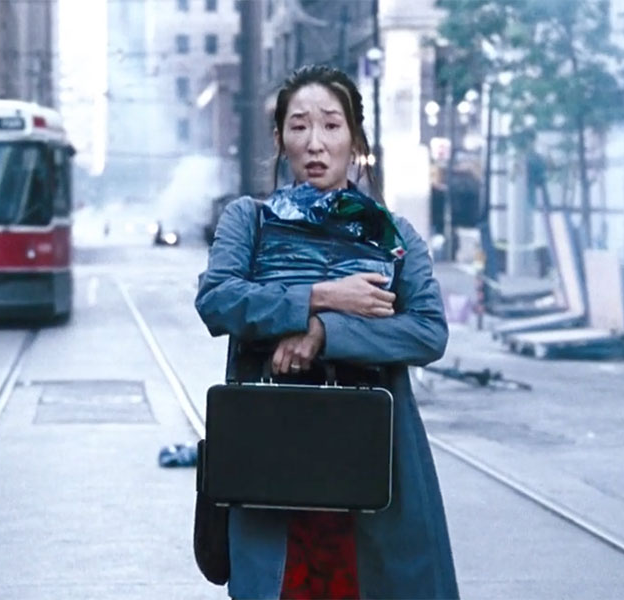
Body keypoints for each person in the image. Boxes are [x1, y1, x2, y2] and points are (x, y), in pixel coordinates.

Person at [194, 64, 460, 599]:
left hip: (373, 467)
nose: (315, 143)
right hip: (271, 460)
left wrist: (323, 333)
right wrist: (321, 297)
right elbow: (217, 300)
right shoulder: (250, 220)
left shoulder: (392, 233)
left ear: (355, 139)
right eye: (299, 126)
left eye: (331, 126)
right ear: (279, 139)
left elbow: (428, 332)